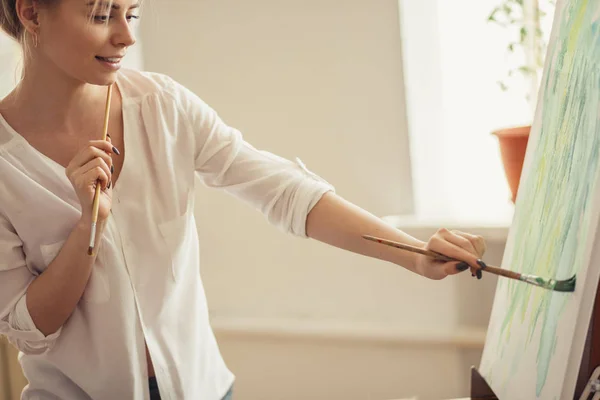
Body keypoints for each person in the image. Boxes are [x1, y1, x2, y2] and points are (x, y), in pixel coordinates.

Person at [0, 0, 487, 399]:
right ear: (32, 13)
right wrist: (88, 225)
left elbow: (285, 190)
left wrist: (415, 254)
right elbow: (29, 328)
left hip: (205, 391)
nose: (126, 36)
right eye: (102, 14)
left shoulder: (164, 107)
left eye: (133, 14)